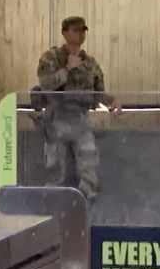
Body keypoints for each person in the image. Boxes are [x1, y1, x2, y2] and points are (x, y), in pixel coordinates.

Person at [36, 16, 120, 200]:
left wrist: (110, 101)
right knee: (55, 167)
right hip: (56, 119)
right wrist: (67, 69)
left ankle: (86, 203)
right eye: (75, 30)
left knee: (89, 163)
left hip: (80, 119)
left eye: (83, 30)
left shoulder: (89, 63)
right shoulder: (51, 58)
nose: (80, 34)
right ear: (65, 33)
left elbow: (98, 92)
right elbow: (45, 85)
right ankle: (53, 204)